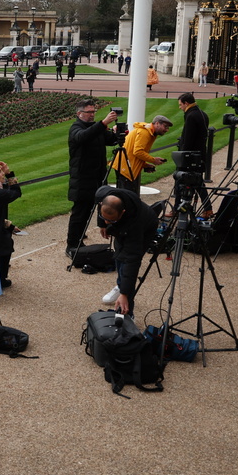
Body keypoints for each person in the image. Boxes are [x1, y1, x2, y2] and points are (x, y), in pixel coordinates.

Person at [66, 100, 119, 255]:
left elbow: (110, 140)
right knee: (80, 213)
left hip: (98, 176)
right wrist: (103, 123)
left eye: (93, 112)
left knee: (97, 208)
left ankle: (81, 239)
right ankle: (72, 245)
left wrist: (116, 132)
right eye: (89, 112)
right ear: (79, 113)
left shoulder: (96, 128)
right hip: (82, 178)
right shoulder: (76, 128)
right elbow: (83, 137)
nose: (92, 115)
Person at [95, 186, 158, 315]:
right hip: (124, 223)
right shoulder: (102, 196)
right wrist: (102, 223)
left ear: (123, 212)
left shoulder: (135, 225)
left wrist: (125, 294)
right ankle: (121, 286)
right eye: (104, 217)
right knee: (118, 254)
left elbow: (132, 261)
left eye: (111, 220)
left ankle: (127, 312)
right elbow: (101, 209)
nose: (107, 222)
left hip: (146, 229)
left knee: (126, 261)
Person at [111, 115, 172, 194]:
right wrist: (153, 160)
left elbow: (134, 153)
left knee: (128, 197)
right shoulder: (145, 132)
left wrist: (144, 165)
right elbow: (137, 152)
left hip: (126, 167)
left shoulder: (149, 132)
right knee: (128, 198)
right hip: (126, 169)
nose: (166, 130)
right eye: (165, 126)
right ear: (157, 123)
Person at [176, 93, 211, 213]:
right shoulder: (202, 114)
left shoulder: (191, 116)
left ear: (186, 103)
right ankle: (208, 208)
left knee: (180, 181)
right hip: (199, 154)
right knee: (199, 183)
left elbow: (188, 138)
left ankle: (177, 208)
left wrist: (182, 158)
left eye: (181, 105)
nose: (180, 107)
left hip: (191, 156)